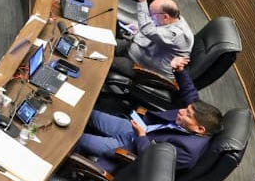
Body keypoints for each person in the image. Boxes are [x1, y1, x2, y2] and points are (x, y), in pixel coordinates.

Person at [77, 57, 222, 173]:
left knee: (77, 139)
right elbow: (191, 94)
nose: (181, 111)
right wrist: (179, 70)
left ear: (200, 129)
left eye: (187, 115)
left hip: (129, 147)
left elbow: (152, 162)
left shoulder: (187, 153)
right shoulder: (202, 116)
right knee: (88, 114)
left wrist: (141, 136)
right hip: (136, 127)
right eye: (186, 109)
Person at [114, 0, 194, 77]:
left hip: (142, 68)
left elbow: (148, 29)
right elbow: (154, 29)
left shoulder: (177, 35)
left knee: (104, 60)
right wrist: (138, 31)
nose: (150, 17)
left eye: (152, 14)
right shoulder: (173, 18)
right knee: (103, 45)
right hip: (134, 50)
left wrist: (142, 2)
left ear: (165, 17)